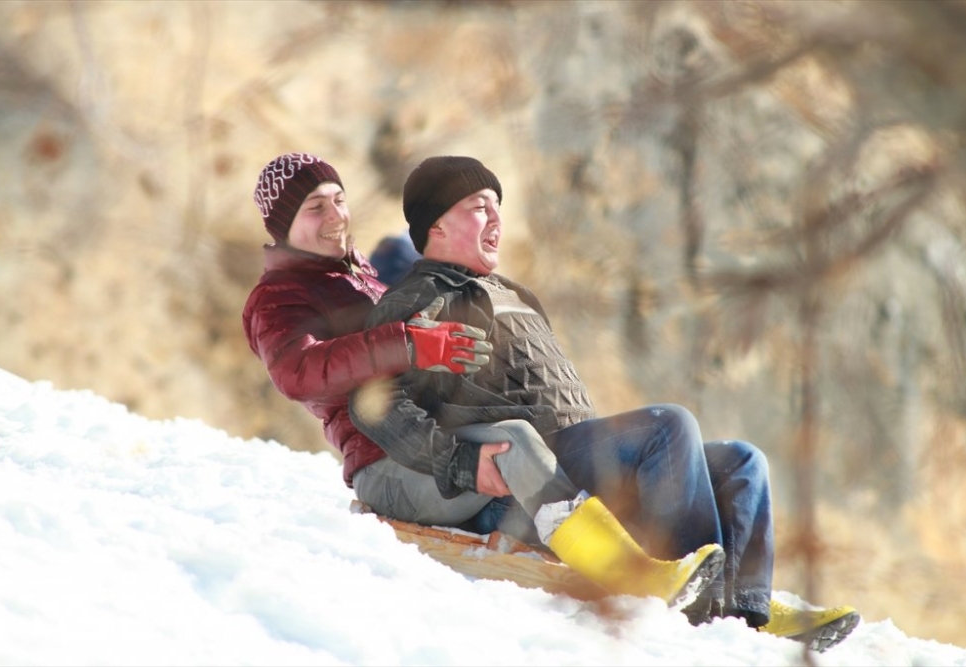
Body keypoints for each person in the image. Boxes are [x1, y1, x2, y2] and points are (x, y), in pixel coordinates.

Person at [348, 155, 860, 652]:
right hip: (518, 485)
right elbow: (377, 405)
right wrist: (459, 461)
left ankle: (747, 609)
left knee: (742, 461)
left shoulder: (515, 294)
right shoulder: (415, 298)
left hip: (577, 468)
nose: (497, 217)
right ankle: (696, 594)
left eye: (498, 205)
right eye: (479, 205)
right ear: (436, 224)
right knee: (667, 425)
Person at [242, 152, 493, 496]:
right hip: (387, 455)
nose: (336, 216)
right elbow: (297, 371)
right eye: (316, 207)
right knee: (519, 477)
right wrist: (407, 345)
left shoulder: (364, 279)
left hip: (435, 432)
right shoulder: (274, 297)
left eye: (339, 201)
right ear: (285, 225)